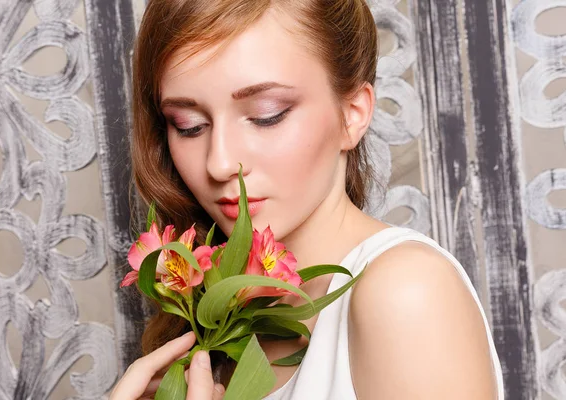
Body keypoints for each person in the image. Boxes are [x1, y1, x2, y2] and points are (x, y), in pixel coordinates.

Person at [111, 0, 505, 399]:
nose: (220, 163)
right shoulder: (218, 319)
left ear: (352, 113)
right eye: (189, 126)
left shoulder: (406, 292)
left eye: (267, 115)